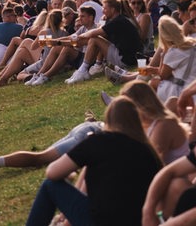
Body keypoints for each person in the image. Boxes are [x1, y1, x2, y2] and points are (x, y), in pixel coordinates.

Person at [25, 96, 161, 226]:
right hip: (139, 222)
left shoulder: (98, 141)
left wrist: (70, 174)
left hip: (99, 222)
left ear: (108, 120)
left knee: (50, 185)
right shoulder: (149, 151)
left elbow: (52, 172)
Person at [68, 0, 142, 83]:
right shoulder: (118, 19)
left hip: (126, 60)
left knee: (94, 39)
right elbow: (100, 31)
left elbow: (94, 33)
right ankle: (88, 68)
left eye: (105, 8)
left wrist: (79, 37)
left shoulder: (117, 21)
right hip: (131, 57)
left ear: (113, 9)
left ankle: (84, 70)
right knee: (95, 39)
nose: (103, 11)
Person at [148, 17, 196, 103]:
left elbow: (163, 76)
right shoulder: (194, 43)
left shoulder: (174, 51)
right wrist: (152, 70)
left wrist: (164, 52)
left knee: (153, 83)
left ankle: (157, 111)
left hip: (190, 90)